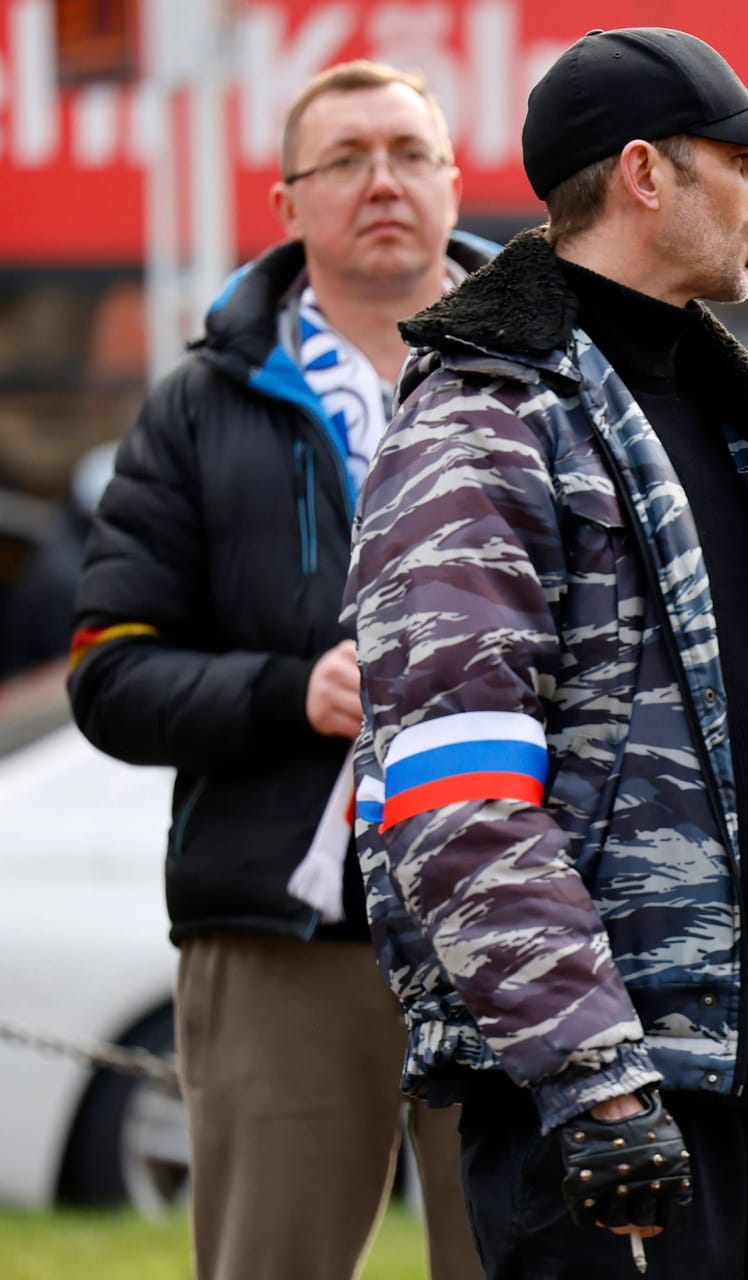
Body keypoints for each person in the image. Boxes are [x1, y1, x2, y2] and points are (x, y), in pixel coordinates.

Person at [342, 28, 748, 1280]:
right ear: (645, 172)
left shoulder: (742, 425)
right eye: (743, 161)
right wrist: (595, 1081)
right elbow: (454, 797)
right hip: (618, 1103)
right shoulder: (482, 419)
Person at [65, 62, 488, 1280]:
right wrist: (289, 691)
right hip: (284, 927)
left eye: (409, 153)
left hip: (522, 908)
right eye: (345, 159)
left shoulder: (553, 379)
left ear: (455, 181)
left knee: (538, 1259)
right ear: (287, 199)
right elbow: (109, 672)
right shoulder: (198, 406)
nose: (382, 183)